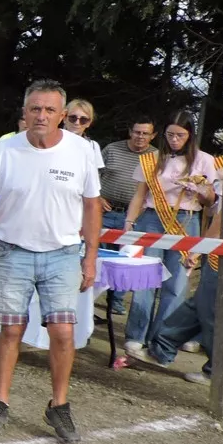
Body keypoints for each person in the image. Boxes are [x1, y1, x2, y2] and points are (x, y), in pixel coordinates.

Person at [0, 80, 101, 444]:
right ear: (25, 113)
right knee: (11, 330)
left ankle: (59, 405)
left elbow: (92, 205)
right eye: (35, 109)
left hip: (62, 254)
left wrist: (90, 257)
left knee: (63, 332)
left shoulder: (81, 151)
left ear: (62, 115)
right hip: (12, 252)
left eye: (49, 110)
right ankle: (0, 402)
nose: (41, 116)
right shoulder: (5, 149)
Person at [122, 111, 219, 358]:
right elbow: (140, 194)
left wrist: (201, 189)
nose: (174, 140)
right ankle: (136, 335)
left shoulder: (204, 160)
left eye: (180, 135)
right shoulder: (153, 158)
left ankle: (160, 341)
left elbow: (211, 201)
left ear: (190, 135)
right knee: (145, 278)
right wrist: (129, 222)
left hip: (187, 220)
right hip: (152, 218)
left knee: (176, 284)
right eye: (170, 135)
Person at [146, 178, 222, 384]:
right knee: (198, 305)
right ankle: (162, 348)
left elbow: (222, 219)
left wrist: (198, 250)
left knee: (210, 310)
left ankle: (216, 370)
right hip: (219, 252)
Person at [98, 116, 157, 316]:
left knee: (127, 258)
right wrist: (97, 197)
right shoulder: (112, 150)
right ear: (130, 132)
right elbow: (93, 175)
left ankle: (116, 300)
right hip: (105, 211)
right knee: (100, 257)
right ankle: (93, 297)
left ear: (153, 135)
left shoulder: (156, 157)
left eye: (145, 133)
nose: (140, 136)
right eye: (137, 132)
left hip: (136, 216)